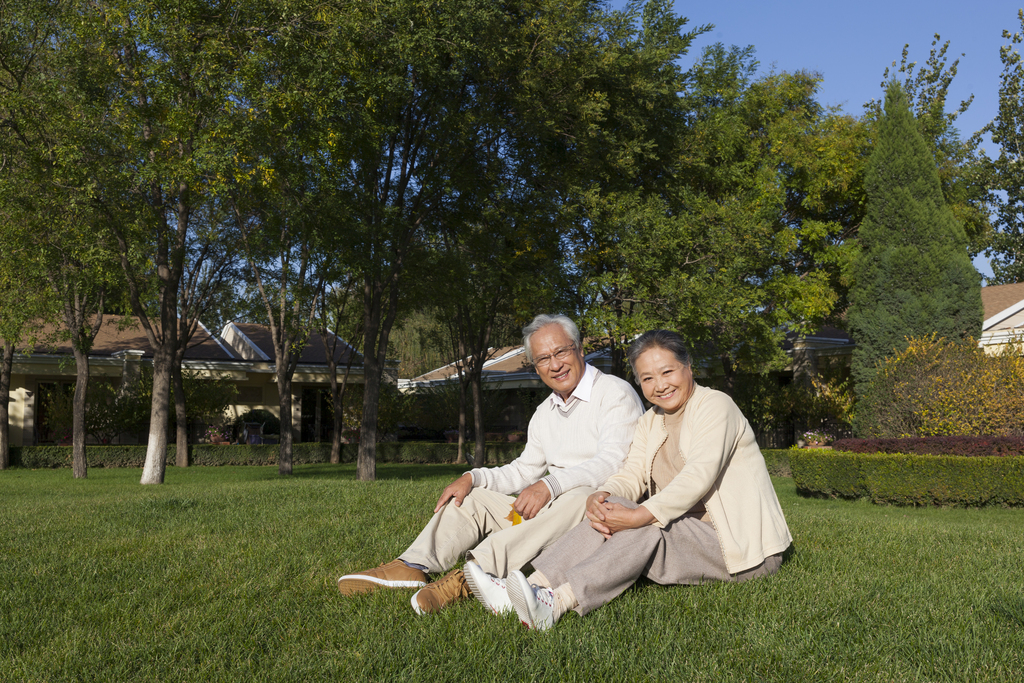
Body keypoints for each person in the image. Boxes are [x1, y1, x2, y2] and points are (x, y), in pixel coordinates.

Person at [464, 329, 792, 630]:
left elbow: (698, 476)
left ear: (688, 367)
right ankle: (531, 588)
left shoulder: (715, 405)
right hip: (684, 531)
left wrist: (640, 515)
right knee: (615, 506)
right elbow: (632, 475)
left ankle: (556, 603)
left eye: (667, 372)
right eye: (647, 378)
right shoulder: (651, 421)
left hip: (740, 547)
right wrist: (602, 495)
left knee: (645, 524)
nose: (660, 385)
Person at [337, 314, 644, 615]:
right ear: (536, 367)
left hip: (595, 513)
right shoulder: (545, 412)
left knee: (579, 496)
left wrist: (550, 485)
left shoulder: (614, 393)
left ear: (579, 349)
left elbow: (614, 463)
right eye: (543, 359)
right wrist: (473, 477)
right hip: (552, 511)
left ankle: (473, 576)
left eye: (561, 351)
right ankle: (413, 566)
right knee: (472, 497)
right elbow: (525, 470)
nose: (554, 364)